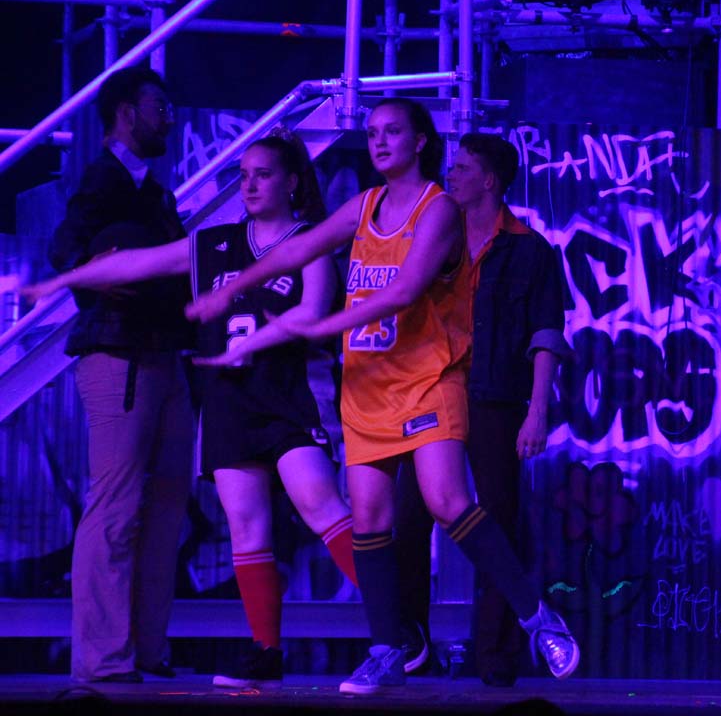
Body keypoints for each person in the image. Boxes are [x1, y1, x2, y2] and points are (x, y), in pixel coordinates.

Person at [185, 98, 580, 695]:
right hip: (368, 383)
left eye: (392, 131)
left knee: (447, 500)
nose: (378, 141)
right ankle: (387, 648)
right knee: (369, 516)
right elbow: (297, 248)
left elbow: (404, 291)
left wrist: (322, 325)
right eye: (371, 132)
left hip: (428, 377)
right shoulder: (366, 204)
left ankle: (536, 615)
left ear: (420, 141)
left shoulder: (439, 207)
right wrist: (235, 285)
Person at [26, 131, 359, 688]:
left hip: (291, 395)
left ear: (292, 182)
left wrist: (255, 342)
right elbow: (135, 265)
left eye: (263, 174)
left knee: (319, 504)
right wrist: (65, 280)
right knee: (245, 526)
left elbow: (312, 311)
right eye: (244, 175)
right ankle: (266, 651)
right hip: (229, 400)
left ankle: (397, 633)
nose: (250, 185)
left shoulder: (310, 240)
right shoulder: (214, 245)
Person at [392, 133, 571, 687]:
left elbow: (547, 334)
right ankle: (410, 646)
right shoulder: (434, 238)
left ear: (490, 180)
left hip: (495, 398)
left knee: (496, 521)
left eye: (464, 168)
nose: (452, 174)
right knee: (409, 517)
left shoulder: (531, 250)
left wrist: (537, 411)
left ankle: (495, 658)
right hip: (431, 392)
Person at [42, 66, 194, 683]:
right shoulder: (104, 178)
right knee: (117, 504)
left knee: (166, 508)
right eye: (160, 106)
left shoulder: (153, 192)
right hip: (121, 354)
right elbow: (65, 250)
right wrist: (107, 270)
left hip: (165, 356)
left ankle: (146, 649)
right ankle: (104, 658)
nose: (169, 118)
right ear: (127, 113)